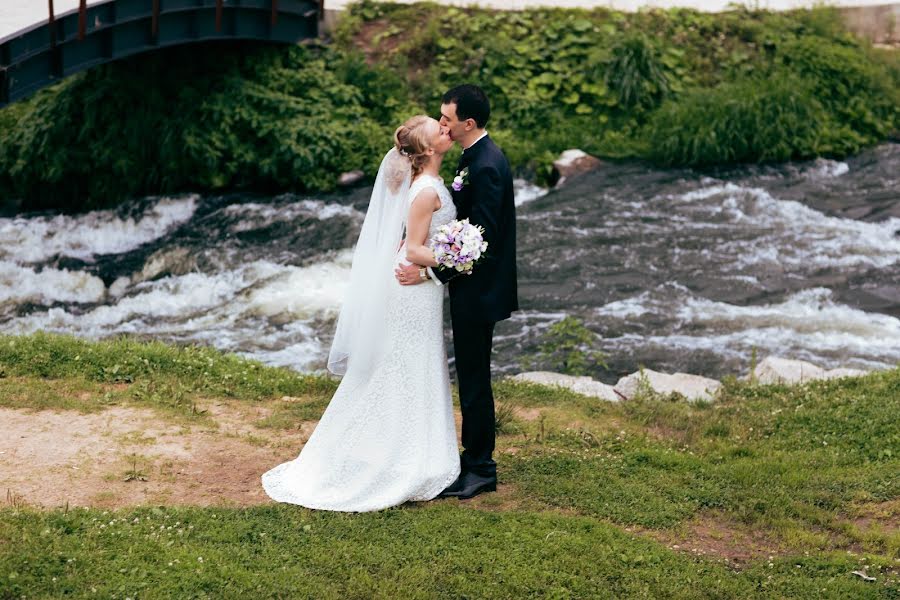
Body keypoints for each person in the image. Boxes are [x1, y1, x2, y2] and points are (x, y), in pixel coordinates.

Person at [261, 115, 460, 512]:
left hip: (419, 286)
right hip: (413, 288)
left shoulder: (431, 185)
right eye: (437, 130)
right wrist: (460, 256)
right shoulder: (424, 191)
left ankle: (418, 449)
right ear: (427, 151)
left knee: (413, 362)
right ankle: (401, 456)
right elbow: (415, 249)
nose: (445, 129)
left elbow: (406, 237)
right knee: (405, 364)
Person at [395, 84, 518, 500]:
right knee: (470, 375)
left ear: (468, 123)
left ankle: (481, 467)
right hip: (468, 285)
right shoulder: (473, 156)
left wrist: (431, 276)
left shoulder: (486, 164)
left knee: (474, 379)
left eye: (447, 118)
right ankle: (472, 459)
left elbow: (481, 241)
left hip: (479, 290)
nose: (441, 123)